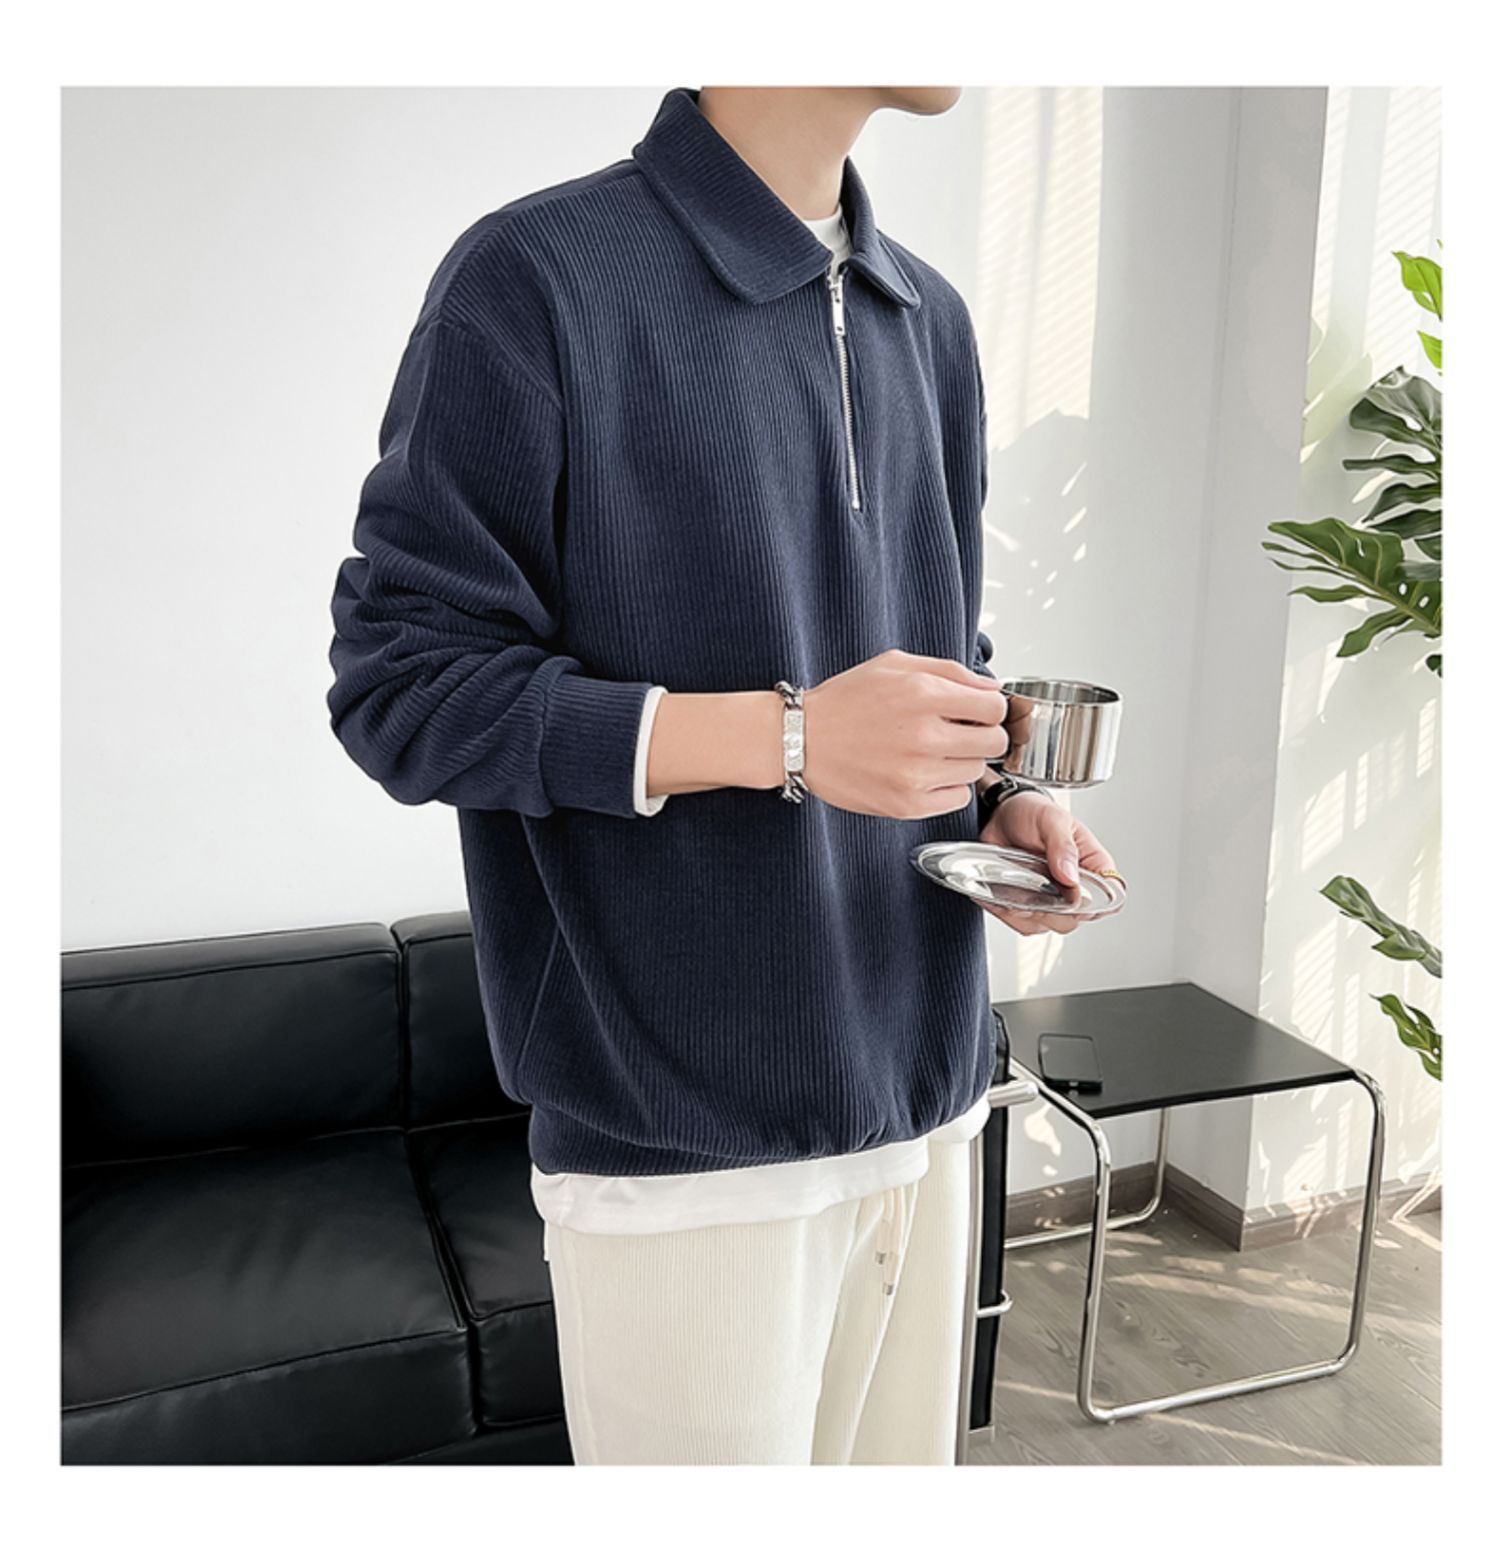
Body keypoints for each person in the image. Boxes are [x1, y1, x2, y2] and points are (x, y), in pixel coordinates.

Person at [327, 84, 1117, 1465]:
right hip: (682, 1145)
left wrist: (1004, 800)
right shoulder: (534, 281)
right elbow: (402, 689)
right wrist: (791, 736)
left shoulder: (928, 319)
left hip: (929, 1102)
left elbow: (940, 648)